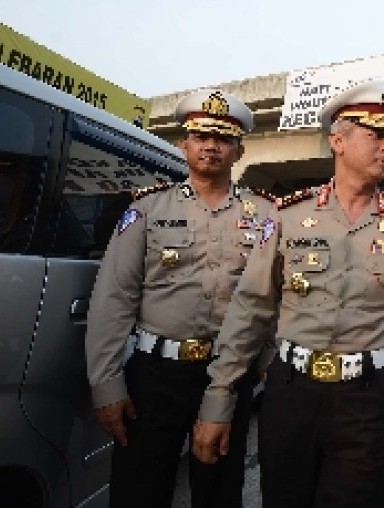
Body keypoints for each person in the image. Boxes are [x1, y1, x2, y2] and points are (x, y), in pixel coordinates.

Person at [191, 80, 384, 508]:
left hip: (368, 400)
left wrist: (381, 360)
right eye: (374, 134)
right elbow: (252, 307)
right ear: (337, 141)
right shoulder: (288, 215)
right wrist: (219, 394)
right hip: (292, 392)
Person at [85, 88, 273, 508]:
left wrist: (263, 359)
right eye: (201, 136)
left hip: (228, 374)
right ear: (183, 143)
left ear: (239, 150)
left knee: (219, 492)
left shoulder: (265, 216)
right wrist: (107, 385)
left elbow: (273, 296)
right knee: (140, 489)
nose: (211, 146)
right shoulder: (147, 210)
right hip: (154, 376)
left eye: (223, 138)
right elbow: (113, 298)